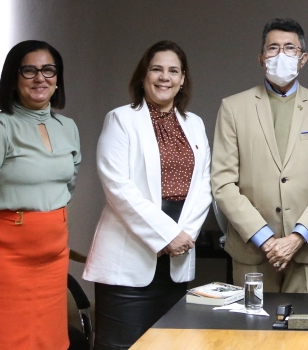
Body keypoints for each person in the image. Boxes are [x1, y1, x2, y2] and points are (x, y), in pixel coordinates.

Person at [0, 40, 81, 349]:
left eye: (48, 70)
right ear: (13, 78)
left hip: (52, 258)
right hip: (2, 259)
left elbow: (68, 184)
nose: (40, 78)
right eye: (29, 70)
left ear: (58, 78)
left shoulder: (68, 127)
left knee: (46, 341)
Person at [83, 41, 212, 350]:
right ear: (143, 75)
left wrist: (184, 236)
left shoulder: (195, 124)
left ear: (183, 79)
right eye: (156, 69)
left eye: (173, 71)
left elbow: (204, 185)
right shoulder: (121, 119)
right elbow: (118, 187)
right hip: (128, 260)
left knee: (169, 345)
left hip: (177, 258)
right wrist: (167, 234)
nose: (164, 77)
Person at [212, 18, 308, 293]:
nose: (281, 54)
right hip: (252, 250)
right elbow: (223, 184)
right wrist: (265, 238)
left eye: (290, 48)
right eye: (273, 48)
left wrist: (297, 237)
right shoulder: (233, 108)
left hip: (306, 250)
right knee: (253, 321)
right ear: (261, 59)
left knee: (302, 321)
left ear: (303, 59)